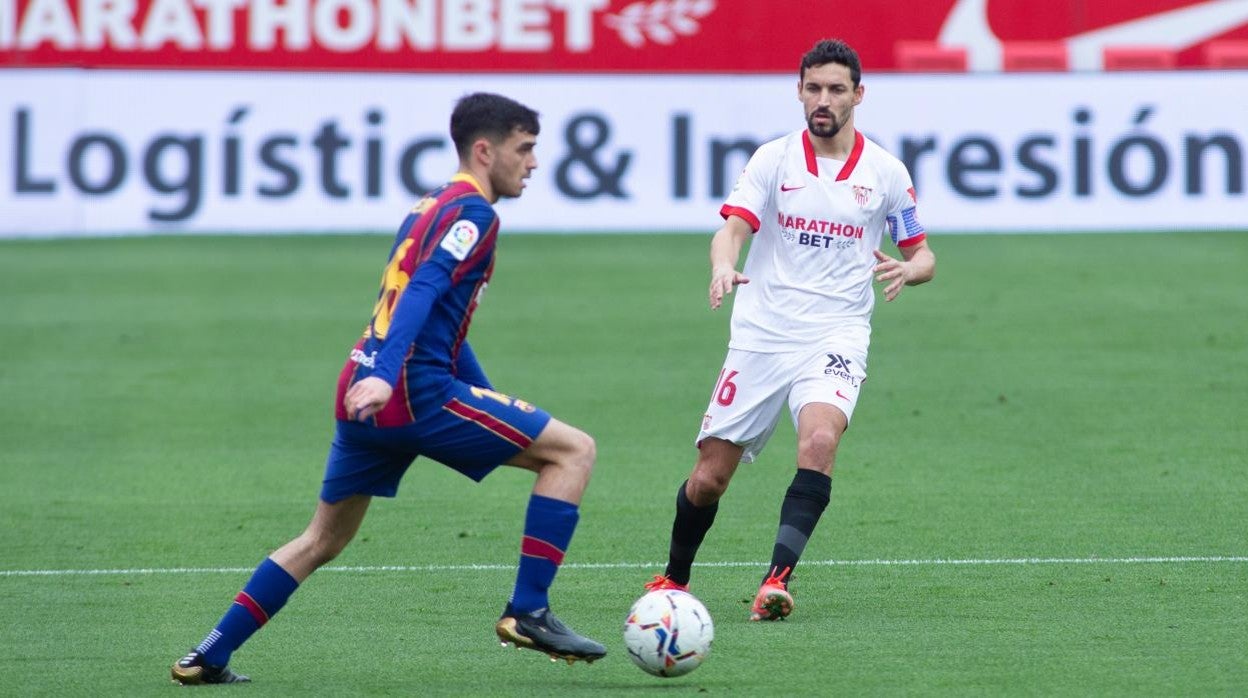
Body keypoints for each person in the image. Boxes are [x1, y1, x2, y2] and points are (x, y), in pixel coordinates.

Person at [171, 92, 606, 685]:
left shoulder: (429, 205)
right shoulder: (476, 215)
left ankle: (208, 655)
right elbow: (424, 289)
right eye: (524, 148)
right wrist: (392, 377)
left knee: (321, 538)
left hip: (363, 388)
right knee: (573, 451)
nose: (533, 163)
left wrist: (478, 394)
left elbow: (433, 314)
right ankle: (528, 610)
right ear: (485, 150)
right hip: (408, 391)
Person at [645, 39, 936, 621]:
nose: (822, 100)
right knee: (708, 479)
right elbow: (732, 227)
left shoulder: (886, 173)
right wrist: (724, 264)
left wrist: (910, 268)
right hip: (761, 334)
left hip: (837, 334)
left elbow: (923, 251)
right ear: (798, 90)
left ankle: (775, 580)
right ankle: (673, 579)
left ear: (859, 94)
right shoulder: (772, 159)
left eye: (835, 89)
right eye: (812, 88)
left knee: (820, 442)